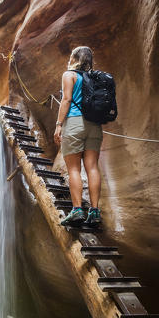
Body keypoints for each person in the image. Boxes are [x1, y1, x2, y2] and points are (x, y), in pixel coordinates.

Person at [54, 46, 103, 226]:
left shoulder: (69, 75)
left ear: (74, 58)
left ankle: (77, 211)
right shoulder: (96, 78)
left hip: (74, 123)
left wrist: (59, 125)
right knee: (92, 168)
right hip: (95, 126)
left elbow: (66, 100)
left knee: (74, 169)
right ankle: (95, 212)